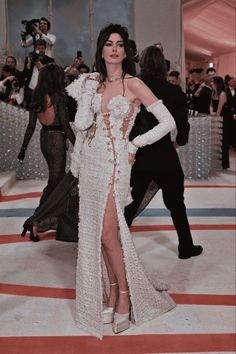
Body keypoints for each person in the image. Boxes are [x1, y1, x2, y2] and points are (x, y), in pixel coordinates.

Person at [66, 24, 176, 339]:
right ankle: (112, 291)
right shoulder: (90, 82)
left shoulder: (135, 84)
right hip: (90, 164)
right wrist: (87, 90)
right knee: (98, 234)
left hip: (116, 164)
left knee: (107, 233)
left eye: (119, 44)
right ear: (101, 49)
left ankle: (125, 295)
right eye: (108, 44)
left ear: (126, 51)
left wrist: (134, 144)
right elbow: (83, 126)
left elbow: (167, 122)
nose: (114, 49)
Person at [124, 46, 203, 260]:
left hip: (139, 154)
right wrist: (178, 142)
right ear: (163, 65)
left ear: (142, 64)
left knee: (131, 202)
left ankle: (117, 246)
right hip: (165, 154)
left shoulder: (132, 89)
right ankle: (186, 246)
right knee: (176, 203)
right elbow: (182, 126)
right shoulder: (173, 91)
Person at [18, 63, 75, 241]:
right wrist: (78, 144)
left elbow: (31, 126)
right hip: (57, 138)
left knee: (55, 183)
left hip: (44, 138)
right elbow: (65, 125)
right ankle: (36, 221)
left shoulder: (36, 95)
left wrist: (23, 149)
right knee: (56, 185)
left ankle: (41, 221)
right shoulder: (58, 97)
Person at [22, 38, 54, 109]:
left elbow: (48, 75)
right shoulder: (29, 58)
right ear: (35, 48)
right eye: (38, 48)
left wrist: (37, 61)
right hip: (29, 90)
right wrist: (29, 64)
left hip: (42, 92)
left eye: (42, 48)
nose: (40, 50)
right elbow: (25, 73)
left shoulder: (50, 61)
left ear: (45, 49)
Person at [210, 76, 229, 169]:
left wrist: (215, 115)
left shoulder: (222, 94)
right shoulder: (213, 92)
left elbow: (220, 109)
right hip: (216, 118)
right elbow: (211, 105)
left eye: (212, 82)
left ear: (217, 83)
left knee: (223, 141)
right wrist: (211, 112)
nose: (211, 83)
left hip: (223, 119)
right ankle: (217, 163)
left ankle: (224, 164)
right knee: (217, 142)